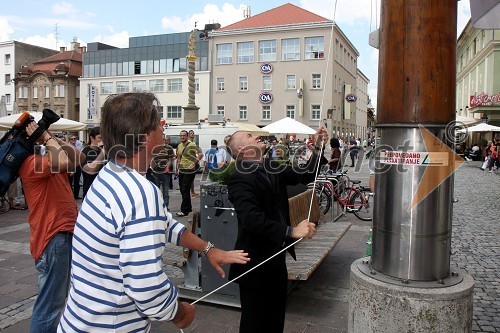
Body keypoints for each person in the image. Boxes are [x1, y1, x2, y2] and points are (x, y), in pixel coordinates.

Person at [58, 92, 249, 332]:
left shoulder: (110, 174)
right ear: (147, 137)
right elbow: (145, 286)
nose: (163, 128)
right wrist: (179, 313)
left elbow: (166, 224)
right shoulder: (139, 192)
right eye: (159, 123)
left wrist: (208, 249)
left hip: (81, 322)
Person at [226, 126, 328, 333]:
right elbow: (250, 219)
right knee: (255, 323)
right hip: (255, 262)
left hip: (276, 258)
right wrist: (291, 231)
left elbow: (305, 175)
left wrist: (317, 147)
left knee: (275, 318)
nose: (256, 135)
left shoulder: (271, 166)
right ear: (243, 150)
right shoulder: (239, 177)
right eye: (249, 135)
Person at [18, 124, 85, 332]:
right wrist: (47, 137)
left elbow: (79, 159)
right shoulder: (31, 164)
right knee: (49, 307)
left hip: (61, 235)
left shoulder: (47, 161)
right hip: (53, 237)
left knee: (55, 302)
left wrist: (55, 138)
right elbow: (64, 160)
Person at [175, 130, 203, 217]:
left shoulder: (191, 145)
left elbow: (200, 154)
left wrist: (194, 162)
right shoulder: (179, 146)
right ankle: (188, 208)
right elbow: (179, 156)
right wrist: (178, 165)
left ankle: (185, 210)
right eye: (181, 135)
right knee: (182, 189)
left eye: (184, 135)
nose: (182, 137)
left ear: (187, 136)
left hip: (190, 170)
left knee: (185, 189)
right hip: (182, 170)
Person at [151, 135, 175, 210]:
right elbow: (151, 158)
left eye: (163, 139)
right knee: (156, 191)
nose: (162, 140)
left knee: (165, 192)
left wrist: (167, 167)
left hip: (165, 173)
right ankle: (157, 208)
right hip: (156, 173)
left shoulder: (169, 148)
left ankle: (165, 207)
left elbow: (171, 159)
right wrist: (153, 167)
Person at [81, 127, 105, 198]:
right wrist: (103, 152)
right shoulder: (85, 152)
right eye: (100, 138)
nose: (102, 141)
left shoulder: (107, 152)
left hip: (104, 193)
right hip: (90, 193)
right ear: (92, 138)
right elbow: (91, 170)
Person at [188, 129, 199, 197]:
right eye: (191, 133)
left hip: (193, 161)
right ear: (189, 135)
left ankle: (192, 191)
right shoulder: (189, 143)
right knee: (190, 178)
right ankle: (191, 192)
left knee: (192, 178)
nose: (192, 134)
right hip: (190, 162)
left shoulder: (193, 143)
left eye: (193, 133)